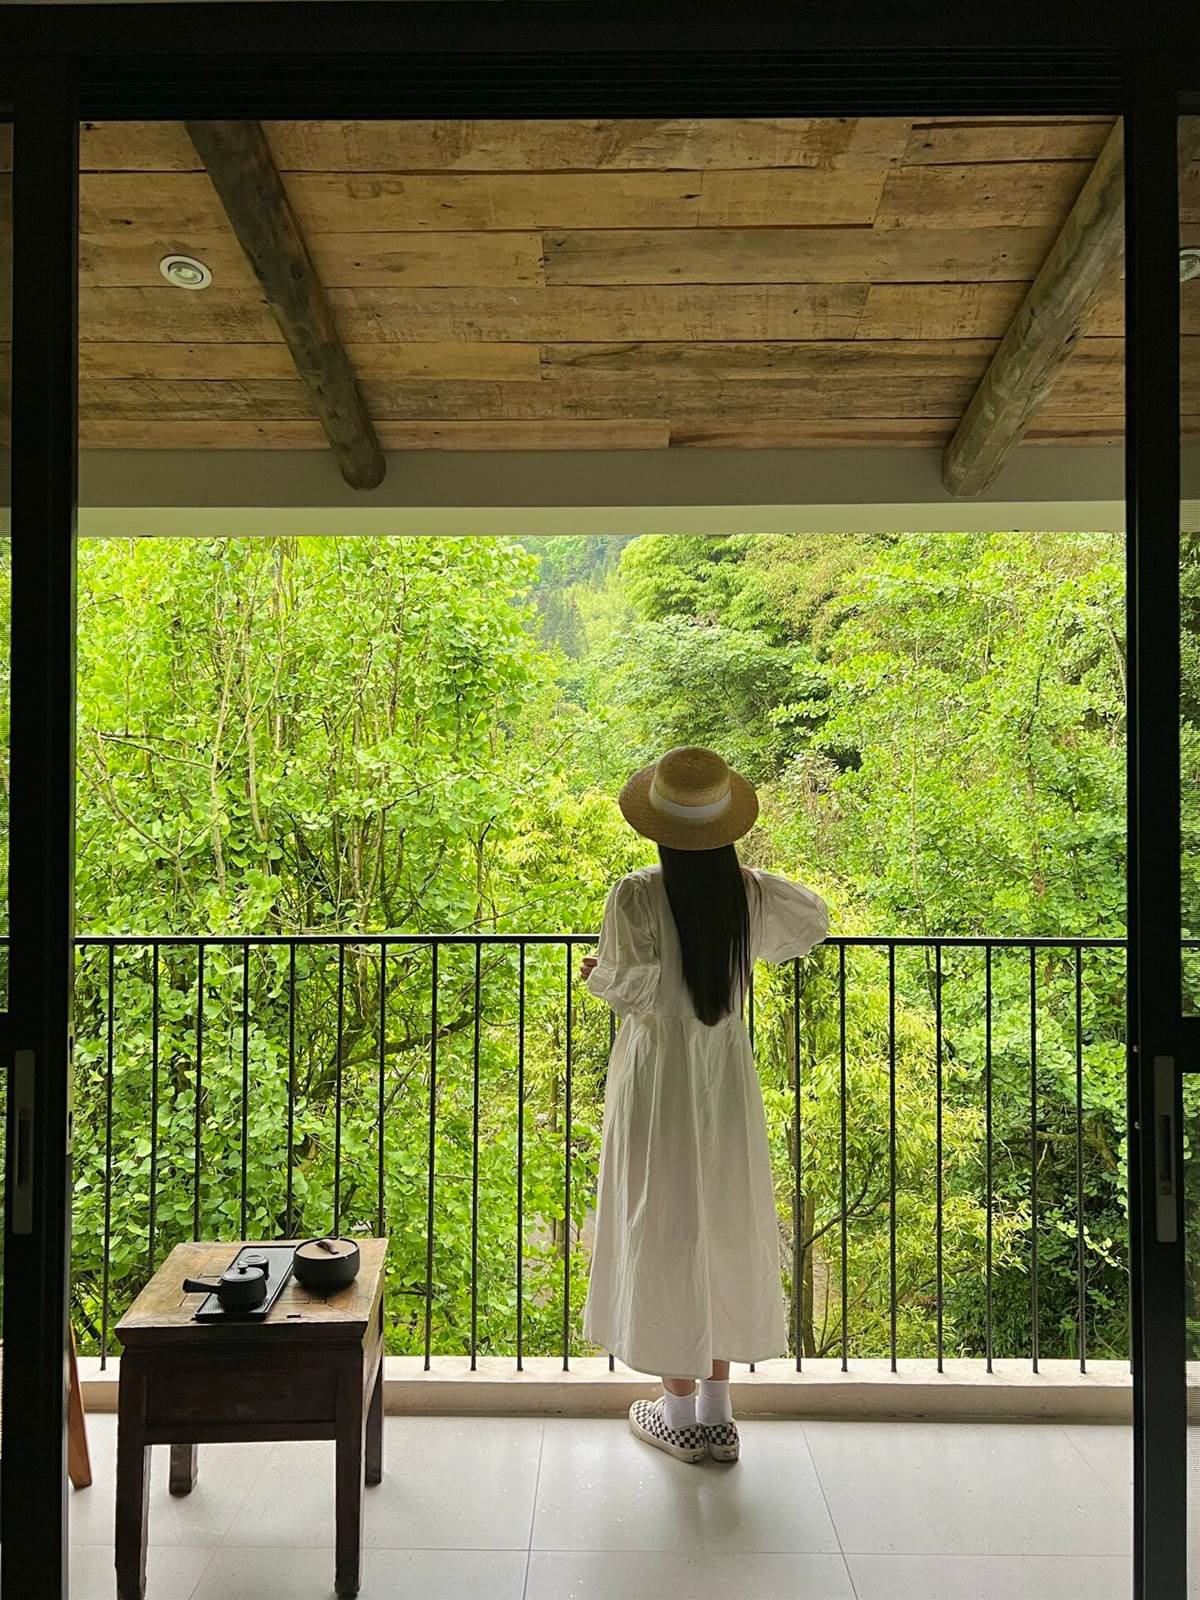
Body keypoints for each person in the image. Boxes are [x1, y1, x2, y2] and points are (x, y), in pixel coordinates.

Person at [579, 745, 828, 1465]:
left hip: (658, 1078)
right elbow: (812, 920)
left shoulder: (635, 894)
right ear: (725, 830)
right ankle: (719, 1416)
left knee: (665, 1220)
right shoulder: (745, 895)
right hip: (724, 1075)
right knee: (721, 1215)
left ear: (658, 827)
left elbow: (636, 989)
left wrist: (598, 974)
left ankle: (679, 1413)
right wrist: (746, 877)